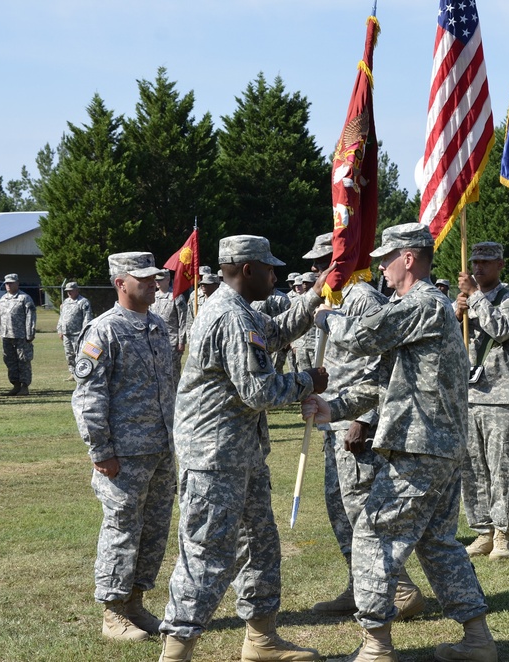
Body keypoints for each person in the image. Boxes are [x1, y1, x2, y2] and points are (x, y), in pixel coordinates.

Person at [303, 223, 496, 662]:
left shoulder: (423, 303)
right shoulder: (415, 308)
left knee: (373, 534)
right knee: (436, 542)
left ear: (408, 258)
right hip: (433, 445)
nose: (381, 268)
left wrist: (329, 316)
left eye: (386, 259)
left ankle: (376, 645)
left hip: (419, 446)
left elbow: (360, 337)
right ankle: (478, 639)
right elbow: (382, 380)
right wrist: (333, 408)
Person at [159, 235, 328, 662]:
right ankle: (176, 651)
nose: (275, 275)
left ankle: (261, 641)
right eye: (269, 268)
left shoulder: (241, 312)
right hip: (215, 460)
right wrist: (309, 381)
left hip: (240, 455)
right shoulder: (230, 317)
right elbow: (259, 391)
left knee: (259, 545)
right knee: (208, 556)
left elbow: (275, 333)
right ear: (247, 269)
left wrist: (314, 293)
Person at [298, 232, 425, 621]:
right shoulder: (333, 298)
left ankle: (399, 588)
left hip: (355, 423)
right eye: (316, 264)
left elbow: (378, 365)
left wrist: (362, 419)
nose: (317, 270)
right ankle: (361, 585)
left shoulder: (363, 298)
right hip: (333, 418)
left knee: (363, 511)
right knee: (341, 511)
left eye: (323, 262)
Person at [70, 252, 176, 641]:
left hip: (160, 449)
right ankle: (113, 613)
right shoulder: (104, 331)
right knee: (122, 530)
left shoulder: (158, 327)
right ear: (121, 283)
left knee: (153, 530)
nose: (153, 283)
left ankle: (135, 603)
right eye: (144, 278)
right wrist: (101, 451)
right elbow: (88, 397)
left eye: (154, 277)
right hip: (124, 456)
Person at [454, 241, 509, 560]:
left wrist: (475, 297)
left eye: (485, 262)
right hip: (468, 396)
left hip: (501, 396)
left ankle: (502, 533)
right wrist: (456, 315)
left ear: (501, 265)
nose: (478, 267)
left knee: (502, 467)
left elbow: (501, 330)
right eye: (475, 262)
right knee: (473, 468)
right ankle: (482, 529)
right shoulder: (467, 301)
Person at [0, 273, 37, 395]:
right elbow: (0, 317)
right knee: (10, 361)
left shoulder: (24, 298)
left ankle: (25, 386)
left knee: (23, 361)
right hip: (6, 335)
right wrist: (0, 333)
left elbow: (31, 317)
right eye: (6, 284)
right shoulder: (3, 299)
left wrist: (29, 334)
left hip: (21, 335)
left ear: (17, 283)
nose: (8, 285)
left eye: (11, 283)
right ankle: (15, 385)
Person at [151, 271, 187, 378]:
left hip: (172, 341)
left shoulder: (176, 296)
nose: (157, 282)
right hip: (155, 340)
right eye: (156, 280)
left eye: (160, 280)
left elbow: (183, 320)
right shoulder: (153, 296)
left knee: (173, 372)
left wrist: (181, 341)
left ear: (167, 280)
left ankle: (175, 394)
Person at [57, 282, 94, 380]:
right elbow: (62, 317)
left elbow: (87, 318)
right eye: (67, 291)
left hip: (77, 333)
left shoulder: (83, 302)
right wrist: (60, 330)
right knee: (69, 355)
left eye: (71, 291)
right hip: (66, 334)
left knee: (80, 354)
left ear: (77, 290)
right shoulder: (66, 302)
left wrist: (85, 332)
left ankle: (81, 373)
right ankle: (73, 373)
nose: (69, 293)